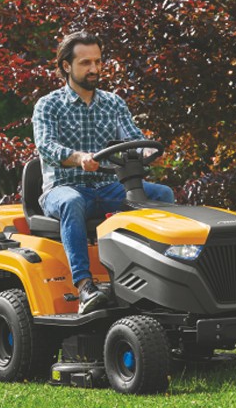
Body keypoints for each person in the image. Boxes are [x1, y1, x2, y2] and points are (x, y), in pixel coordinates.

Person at [32, 31, 175, 314]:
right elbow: (46, 146)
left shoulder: (113, 103)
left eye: (98, 61)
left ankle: (159, 279)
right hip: (64, 188)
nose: (94, 68)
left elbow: (133, 137)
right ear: (66, 66)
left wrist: (146, 151)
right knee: (72, 202)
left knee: (162, 194)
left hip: (107, 187)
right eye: (85, 62)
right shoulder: (48, 105)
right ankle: (85, 287)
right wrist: (78, 158)